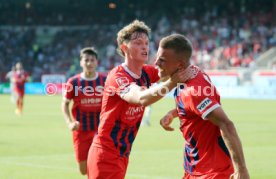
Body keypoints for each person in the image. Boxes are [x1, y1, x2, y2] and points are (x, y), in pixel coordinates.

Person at [87, 20, 191, 179]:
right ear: (124, 48)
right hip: (106, 154)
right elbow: (141, 98)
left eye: (147, 43)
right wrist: (172, 82)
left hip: (122, 154)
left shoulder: (147, 72)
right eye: (138, 43)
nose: (145, 47)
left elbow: (176, 69)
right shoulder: (118, 76)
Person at [158, 34, 250, 179]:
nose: (156, 63)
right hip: (194, 167)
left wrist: (241, 170)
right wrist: (173, 113)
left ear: (180, 64)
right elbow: (193, 108)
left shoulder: (194, 90)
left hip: (211, 171)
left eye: (162, 60)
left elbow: (226, 125)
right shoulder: (188, 74)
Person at [61, 47, 106, 175]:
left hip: (101, 130)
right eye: (86, 60)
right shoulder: (74, 82)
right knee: (83, 170)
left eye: (92, 60)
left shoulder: (105, 80)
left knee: (99, 164)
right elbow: (64, 104)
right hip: (81, 131)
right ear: (81, 62)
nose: (89, 63)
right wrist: (70, 122)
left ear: (97, 62)